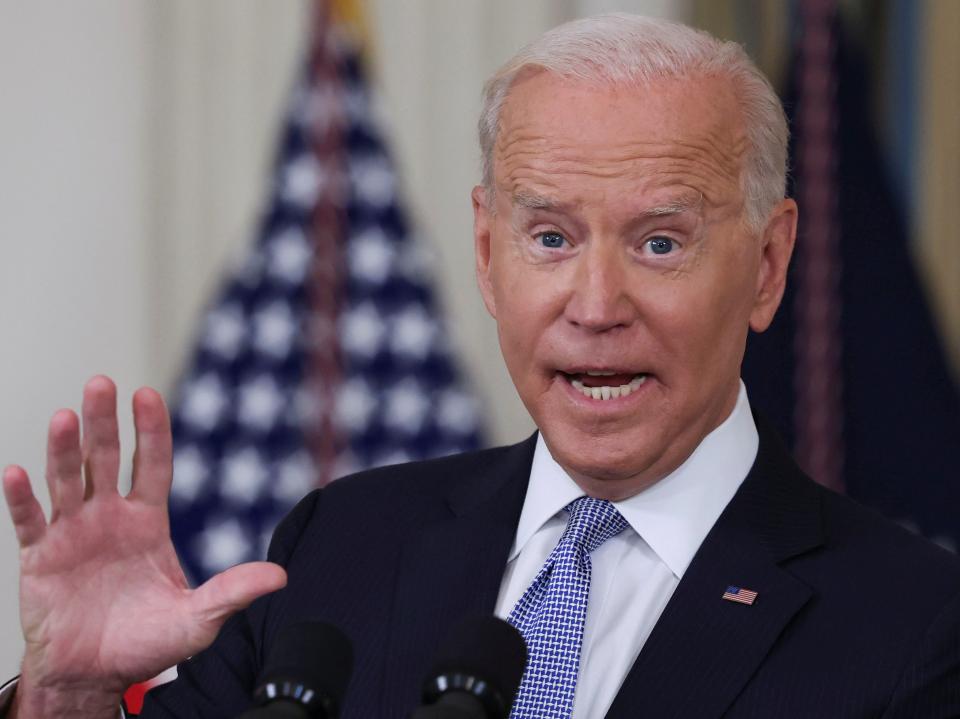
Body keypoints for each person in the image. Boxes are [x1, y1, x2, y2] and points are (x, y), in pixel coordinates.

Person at [3, 13, 959, 719]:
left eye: (660, 243)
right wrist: (67, 695)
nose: (594, 304)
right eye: (549, 235)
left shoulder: (916, 622)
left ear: (767, 264)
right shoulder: (342, 543)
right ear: (487, 252)